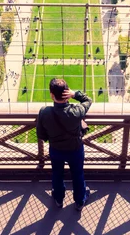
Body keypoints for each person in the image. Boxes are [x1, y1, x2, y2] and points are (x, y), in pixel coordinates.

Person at [36, 78, 92, 211]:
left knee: (57, 174)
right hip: (75, 149)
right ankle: (79, 201)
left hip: (56, 150)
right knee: (78, 174)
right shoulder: (76, 111)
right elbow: (88, 100)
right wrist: (75, 94)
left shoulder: (44, 112)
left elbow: (41, 136)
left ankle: (58, 199)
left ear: (51, 95)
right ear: (67, 93)